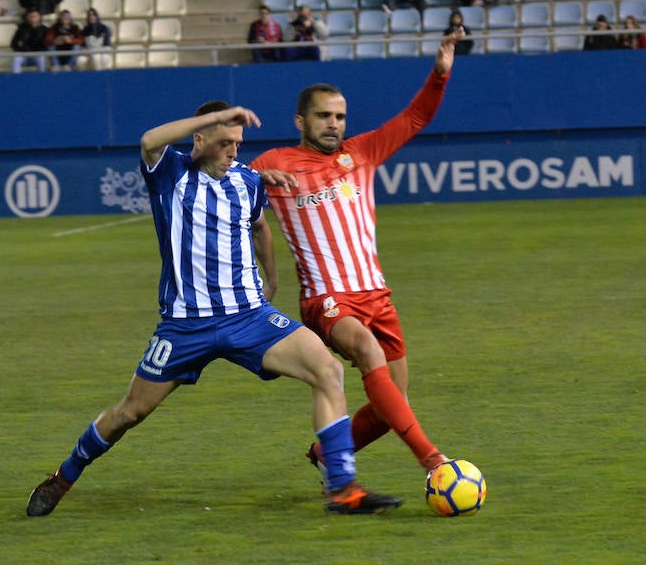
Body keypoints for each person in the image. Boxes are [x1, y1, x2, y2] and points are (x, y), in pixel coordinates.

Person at [25, 101, 403, 518]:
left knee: (327, 370)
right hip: (185, 326)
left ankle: (343, 488)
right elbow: (150, 139)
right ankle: (64, 476)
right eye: (224, 143)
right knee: (129, 412)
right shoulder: (169, 173)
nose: (233, 153)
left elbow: (259, 225)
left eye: (238, 144)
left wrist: (271, 276)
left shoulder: (248, 181)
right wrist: (214, 119)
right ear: (200, 139)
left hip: (249, 317)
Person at [250, 30, 464, 487]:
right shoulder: (275, 162)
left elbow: (414, 118)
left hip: (376, 294)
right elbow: (224, 191)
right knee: (368, 354)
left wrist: (440, 73)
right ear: (301, 122)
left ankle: (326, 452)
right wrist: (252, 181)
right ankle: (434, 462)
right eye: (324, 116)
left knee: (394, 401)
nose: (334, 124)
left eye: (340, 116)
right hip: (326, 298)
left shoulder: (362, 152)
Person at [10, 8, 48, 73]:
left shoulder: (44, 30)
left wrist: (39, 51)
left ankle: (42, 79)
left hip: (37, 55)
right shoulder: (21, 29)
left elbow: (47, 45)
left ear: (39, 17)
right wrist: (21, 51)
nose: (32, 19)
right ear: (27, 17)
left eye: (34, 17)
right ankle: (16, 79)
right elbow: (13, 44)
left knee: (41, 59)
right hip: (24, 55)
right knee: (16, 59)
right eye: (30, 17)